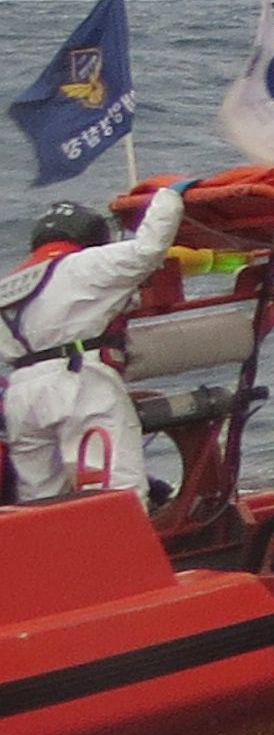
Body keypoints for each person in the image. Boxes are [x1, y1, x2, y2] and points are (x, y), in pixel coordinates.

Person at [1, 185, 187, 504]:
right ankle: (123, 552)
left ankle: (54, 554)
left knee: (38, 500)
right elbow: (147, 249)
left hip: (21, 396)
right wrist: (170, 197)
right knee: (115, 491)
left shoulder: (8, 286)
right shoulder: (85, 264)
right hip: (78, 383)